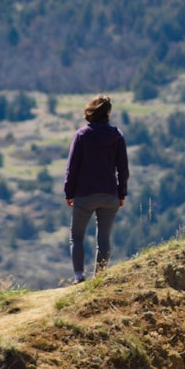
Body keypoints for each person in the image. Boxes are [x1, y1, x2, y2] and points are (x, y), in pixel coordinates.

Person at [64, 95, 129, 284]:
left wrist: (69, 192)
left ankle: (78, 277)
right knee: (104, 238)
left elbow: (72, 167)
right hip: (109, 194)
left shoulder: (82, 135)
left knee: (76, 237)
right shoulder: (117, 136)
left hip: (85, 194)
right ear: (108, 113)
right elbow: (123, 169)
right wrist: (121, 193)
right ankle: (99, 278)